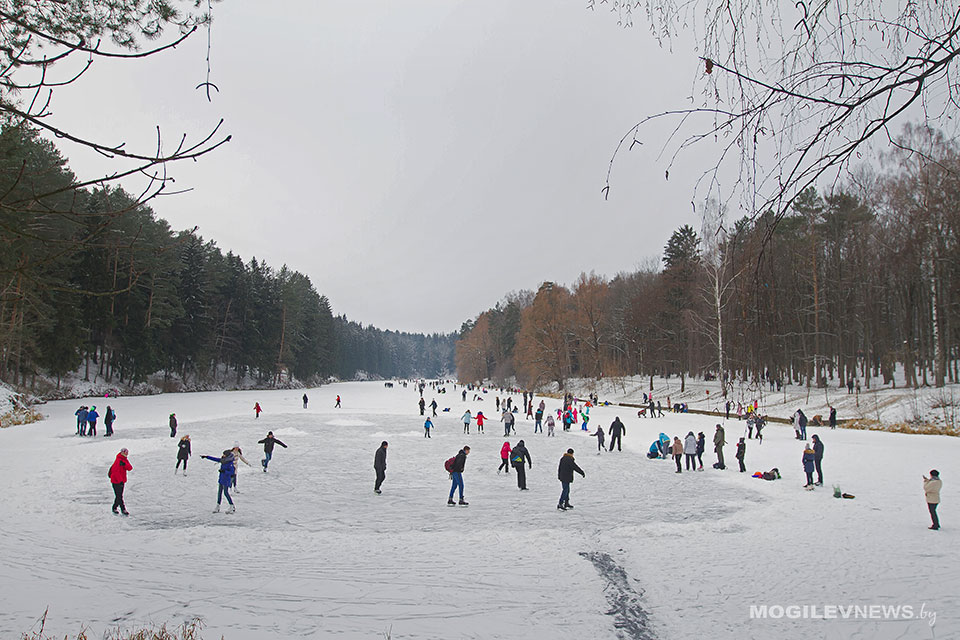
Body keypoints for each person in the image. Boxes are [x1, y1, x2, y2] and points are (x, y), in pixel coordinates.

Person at [202, 449, 236, 513]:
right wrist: (206, 457)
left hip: (226, 479)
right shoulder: (223, 460)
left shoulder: (230, 463)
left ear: (227, 455)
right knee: (219, 492)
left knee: (226, 492)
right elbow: (215, 459)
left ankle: (232, 505)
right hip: (221, 479)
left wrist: (224, 471)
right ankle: (218, 506)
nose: (223, 455)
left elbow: (232, 472)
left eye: (224, 454)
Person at [108, 448, 132, 515]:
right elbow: (115, 472)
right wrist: (120, 481)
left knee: (119, 496)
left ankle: (114, 507)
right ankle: (123, 509)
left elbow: (130, 468)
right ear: (122, 453)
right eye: (125, 453)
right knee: (119, 496)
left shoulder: (124, 460)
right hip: (116, 481)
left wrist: (124, 464)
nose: (126, 454)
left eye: (127, 453)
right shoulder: (118, 460)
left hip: (121, 481)